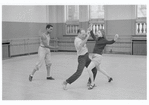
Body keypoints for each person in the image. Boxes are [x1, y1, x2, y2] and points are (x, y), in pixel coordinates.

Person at [87, 25, 119, 90]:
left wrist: (115, 39)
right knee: (99, 69)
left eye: (99, 32)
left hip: (97, 57)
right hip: (95, 57)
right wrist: (90, 30)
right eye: (97, 32)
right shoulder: (98, 39)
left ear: (102, 34)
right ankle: (109, 77)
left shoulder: (104, 40)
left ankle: (92, 83)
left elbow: (110, 42)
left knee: (89, 69)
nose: (97, 33)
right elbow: (93, 36)